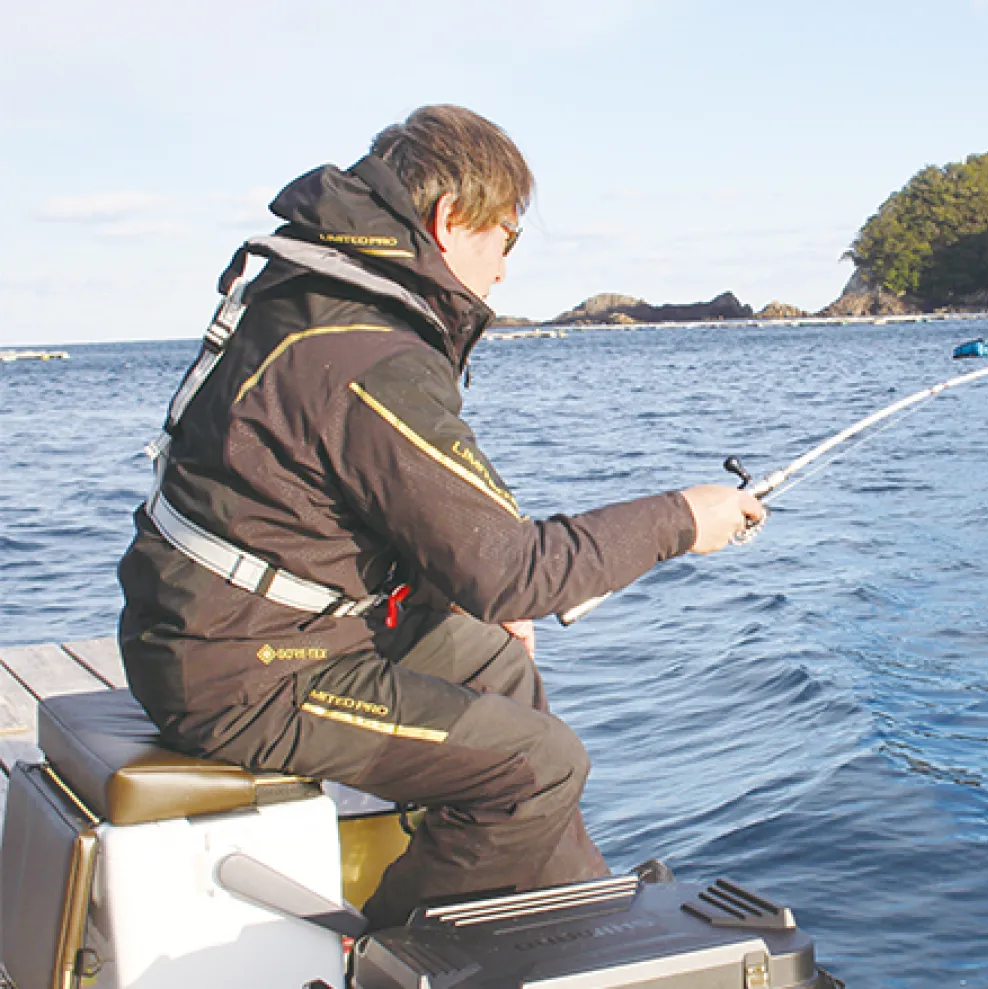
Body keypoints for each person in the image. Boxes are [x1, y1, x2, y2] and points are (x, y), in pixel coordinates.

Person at [117, 105, 765, 930]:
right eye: (506, 238)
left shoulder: (321, 297)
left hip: (243, 624)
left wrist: (460, 591)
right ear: (449, 219)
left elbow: (319, 499)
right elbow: (514, 569)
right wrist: (682, 518)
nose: (503, 270)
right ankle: (381, 963)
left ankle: (580, 924)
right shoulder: (367, 355)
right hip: (241, 667)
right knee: (540, 764)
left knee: (499, 667)